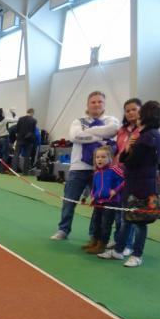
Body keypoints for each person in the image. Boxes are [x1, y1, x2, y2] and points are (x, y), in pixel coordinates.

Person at [98, 100, 160, 267]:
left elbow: (131, 161)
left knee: (140, 222)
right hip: (134, 183)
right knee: (127, 219)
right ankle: (118, 250)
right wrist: (128, 149)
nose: (136, 115)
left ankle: (137, 254)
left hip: (142, 185)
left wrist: (128, 150)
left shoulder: (149, 136)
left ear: (146, 115)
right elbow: (125, 158)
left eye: (139, 113)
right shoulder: (146, 135)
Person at [51, 91, 119, 240]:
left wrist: (87, 132)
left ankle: (94, 234)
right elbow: (74, 136)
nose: (96, 104)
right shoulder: (78, 121)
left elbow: (112, 131)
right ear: (88, 104)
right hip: (78, 168)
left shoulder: (111, 120)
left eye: (100, 102)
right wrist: (101, 135)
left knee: (100, 204)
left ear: (104, 104)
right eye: (93, 102)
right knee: (69, 200)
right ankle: (63, 230)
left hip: (101, 170)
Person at [111, 98, 141, 252]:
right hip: (118, 174)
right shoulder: (121, 130)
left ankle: (128, 245)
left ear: (141, 111)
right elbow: (118, 151)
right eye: (127, 110)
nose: (130, 113)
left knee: (130, 212)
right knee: (118, 212)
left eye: (134, 109)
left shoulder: (144, 131)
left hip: (134, 176)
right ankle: (119, 240)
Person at [83, 146, 123, 254]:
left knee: (106, 224)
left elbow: (125, 180)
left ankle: (102, 245)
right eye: (97, 157)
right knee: (96, 222)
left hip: (111, 202)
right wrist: (93, 197)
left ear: (109, 158)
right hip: (98, 202)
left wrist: (115, 191)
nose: (100, 159)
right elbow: (94, 188)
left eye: (103, 157)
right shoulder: (96, 173)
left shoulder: (114, 169)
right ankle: (95, 242)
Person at [14, 108, 37, 173]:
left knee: (16, 155)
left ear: (27, 112)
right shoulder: (34, 120)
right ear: (32, 113)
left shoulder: (20, 119)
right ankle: (25, 172)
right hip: (28, 140)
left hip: (20, 139)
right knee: (27, 156)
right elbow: (33, 132)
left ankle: (14, 170)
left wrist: (18, 137)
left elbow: (17, 129)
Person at [0, 108, 15, 172]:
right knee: (5, 155)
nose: (4, 112)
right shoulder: (5, 119)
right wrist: (13, 113)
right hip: (5, 138)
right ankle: (2, 169)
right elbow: (15, 120)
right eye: (3, 112)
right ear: (1, 113)